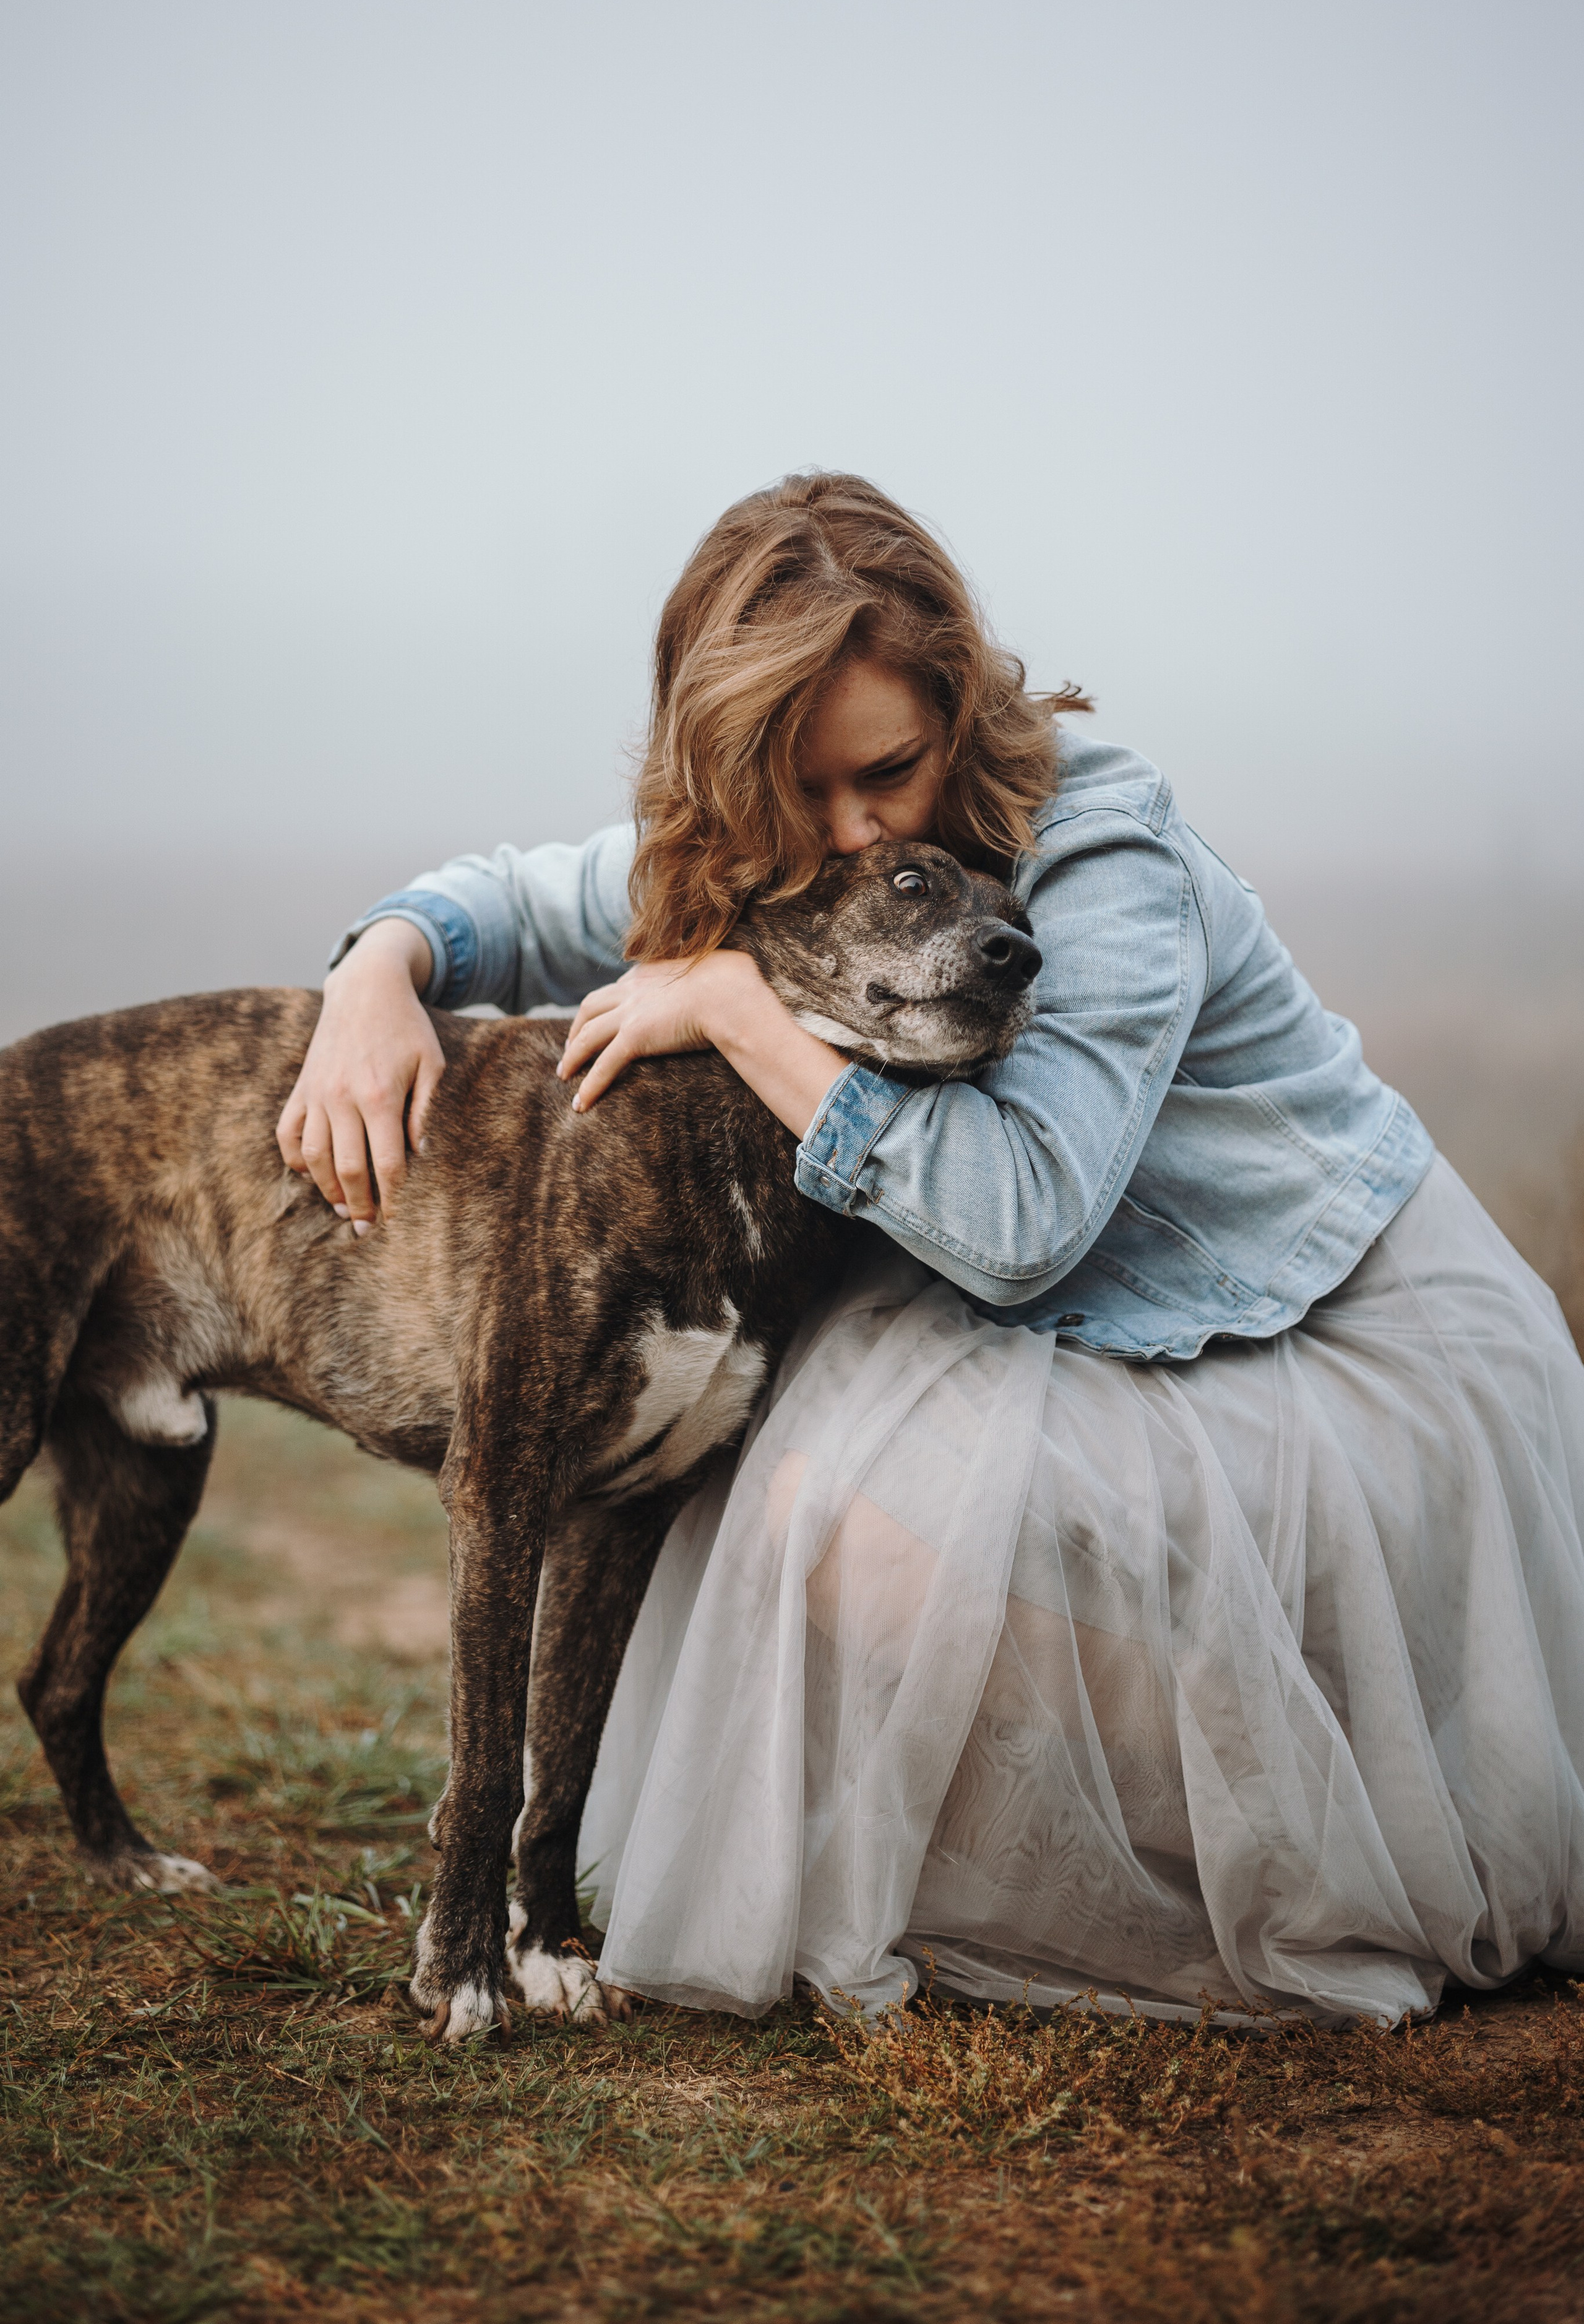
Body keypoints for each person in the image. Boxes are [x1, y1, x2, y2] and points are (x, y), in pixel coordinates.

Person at [279, 471, 1584, 2029]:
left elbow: (1023, 1224)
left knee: (862, 1513)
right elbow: (522, 897)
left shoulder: (1104, 852)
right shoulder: (800, 838)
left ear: (955, 705)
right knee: (810, 1508)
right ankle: (1122, 1866)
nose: (846, 830)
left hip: (1321, 1334)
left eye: (885, 774)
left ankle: (1281, 1860)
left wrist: (738, 1010)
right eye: (797, 791)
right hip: (1101, 1341)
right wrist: (381, 965)